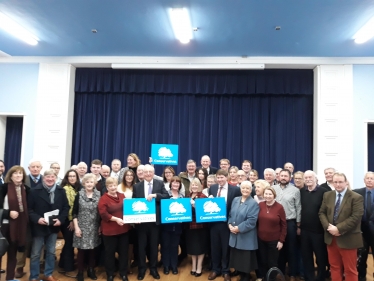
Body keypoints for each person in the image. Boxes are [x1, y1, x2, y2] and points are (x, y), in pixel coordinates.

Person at [318, 172, 364, 281]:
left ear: (346, 182)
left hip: (348, 238)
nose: (337, 185)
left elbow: (356, 217)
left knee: (350, 269)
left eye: (340, 182)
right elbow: (321, 213)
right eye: (335, 182)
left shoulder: (356, 197)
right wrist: (329, 227)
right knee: (334, 267)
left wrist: (338, 229)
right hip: (331, 238)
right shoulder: (327, 195)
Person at [28, 169, 69, 281]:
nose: (50, 179)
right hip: (39, 226)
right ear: (43, 178)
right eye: (48, 177)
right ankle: (34, 276)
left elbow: (65, 207)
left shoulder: (61, 191)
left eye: (52, 177)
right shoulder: (34, 191)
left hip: (53, 226)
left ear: (56, 178)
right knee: (36, 253)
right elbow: (29, 209)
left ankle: (48, 274)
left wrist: (60, 219)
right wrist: (38, 219)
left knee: (51, 252)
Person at [132, 164, 168, 280]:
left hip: (155, 223)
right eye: (145, 172)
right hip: (141, 223)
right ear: (142, 173)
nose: (148, 174)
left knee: (153, 247)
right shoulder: (137, 186)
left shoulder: (159, 183)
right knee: (141, 247)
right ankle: (141, 269)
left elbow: (166, 196)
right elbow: (133, 203)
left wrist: (155, 195)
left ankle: (153, 268)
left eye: (150, 172)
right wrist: (134, 219)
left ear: (153, 173)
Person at [208, 169, 241, 281]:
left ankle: (226, 271)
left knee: (226, 248)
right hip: (213, 223)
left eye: (222, 177)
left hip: (227, 223)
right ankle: (215, 269)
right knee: (215, 247)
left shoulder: (235, 190)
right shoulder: (212, 188)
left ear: (227, 177)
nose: (220, 179)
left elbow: (237, 207)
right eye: (218, 177)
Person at [98, 177, 132, 281]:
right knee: (109, 254)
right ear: (107, 187)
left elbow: (128, 209)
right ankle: (110, 274)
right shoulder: (103, 199)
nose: (113, 187)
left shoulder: (122, 196)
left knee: (123, 253)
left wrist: (134, 217)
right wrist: (116, 219)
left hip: (124, 229)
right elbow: (103, 214)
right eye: (110, 186)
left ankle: (123, 273)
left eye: (114, 185)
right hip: (110, 231)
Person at [0, 165, 29, 281]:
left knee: (13, 254)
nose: (18, 175)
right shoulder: (4, 188)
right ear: (10, 176)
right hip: (4, 225)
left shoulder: (26, 189)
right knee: (0, 252)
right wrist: (8, 213)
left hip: (19, 226)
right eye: (15, 173)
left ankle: (10, 278)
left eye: (20, 173)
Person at [272, 169, 301, 280]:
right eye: (282, 175)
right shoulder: (273, 189)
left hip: (290, 222)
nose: (283, 177)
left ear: (290, 178)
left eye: (286, 176)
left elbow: (298, 207)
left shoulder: (295, 190)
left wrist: (298, 224)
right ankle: (280, 272)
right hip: (276, 224)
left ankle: (292, 273)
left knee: (291, 249)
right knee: (279, 249)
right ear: (278, 177)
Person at [228, 181, 259, 281]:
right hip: (234, 233)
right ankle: (239, 271)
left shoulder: (253, 203)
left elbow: (251, 221)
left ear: (251, 190)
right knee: (236, 255)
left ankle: (246, 276)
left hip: (246, 235)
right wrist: (229, 225)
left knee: (245, 258)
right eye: (243, 188)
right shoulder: (235, 199)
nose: (245, 190)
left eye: (247, 188)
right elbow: (230, 215)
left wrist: (238, 228)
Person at [299, 170, 328, 281]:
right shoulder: (302, 191)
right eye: (306, 177)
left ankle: (321, 277)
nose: (308, 179)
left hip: (319, 231)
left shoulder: (324, 192)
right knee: (306, 257)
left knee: (320, 257)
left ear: (316, 178)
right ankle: (309, 278)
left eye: (310, 177)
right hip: (304, 231)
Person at [73, 173, 101, 281]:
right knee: (81, 250)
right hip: (82, 226)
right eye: (87, 182)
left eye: (91, 182)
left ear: (94, 183)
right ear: (84, 183)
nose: (89, 184)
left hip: (94, 226)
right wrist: (76, 228)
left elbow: (101, 212)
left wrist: (100, 226)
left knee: (92, 250)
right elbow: (74, 213)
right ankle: (80, 272)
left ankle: (91, 270)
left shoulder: (99, 194)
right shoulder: (78, 195)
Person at [257, 187, 286, 280]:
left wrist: (281, 240)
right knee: (263, 261)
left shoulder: (279, 207)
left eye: (270, 194)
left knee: (272, 263)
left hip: (274, 240)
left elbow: (284, 225)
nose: (268, 196)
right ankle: (265, 278)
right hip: (261, 239)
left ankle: (271, 279)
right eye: (266, 194)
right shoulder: (260, 205)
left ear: (274, 195)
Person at [58, 169, 80, 276]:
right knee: (70, 244)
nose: (72, 178)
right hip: (68, 220)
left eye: (74, 176)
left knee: (68, 243)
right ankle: (68, 269)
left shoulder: (75, 188)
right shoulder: (66, 189)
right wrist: (71, 220)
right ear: (67, 178)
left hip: (71, 219)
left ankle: (62, 265)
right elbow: (68, 207)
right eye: (70, 176)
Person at [353, 171, 374, 281]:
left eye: (372, 178)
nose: (369, 180)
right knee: (362, 256)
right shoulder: (357, 193)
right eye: (368, 178)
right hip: (361, 231)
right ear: (364, 180)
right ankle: (361, 277)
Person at [161, 176, 184, 275]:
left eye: (177, 183)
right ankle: (166, 266)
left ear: (180, 185)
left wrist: (183, 219)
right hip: (166, 226)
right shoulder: (165, 195)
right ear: (170, 184)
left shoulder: (182, 197)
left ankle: (174, 265)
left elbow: (184, 211)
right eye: (174, 183)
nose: (175, 184)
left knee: (175, 246)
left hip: (177, 226)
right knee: (165, 246)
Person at [187, 178, 208, 277]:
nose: (194, 186)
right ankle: (193, 266)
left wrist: (195, 206)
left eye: (196, 185)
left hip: (200, 227)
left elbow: (205, 212)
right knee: (192, 248)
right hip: (190, 227)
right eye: (193, 185)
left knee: (200, 248)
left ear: (199, 186)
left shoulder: (203, 196)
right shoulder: (188, 196)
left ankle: (199, 267)